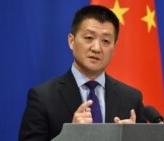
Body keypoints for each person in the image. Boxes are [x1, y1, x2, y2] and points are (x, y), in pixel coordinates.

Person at [19, 4, 145, 141]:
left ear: (114, 47)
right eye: (89, 38)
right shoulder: (43, 98)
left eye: (106, 41)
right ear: (71, 41)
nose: (96, 48)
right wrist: (69, 137)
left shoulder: (131, 98)